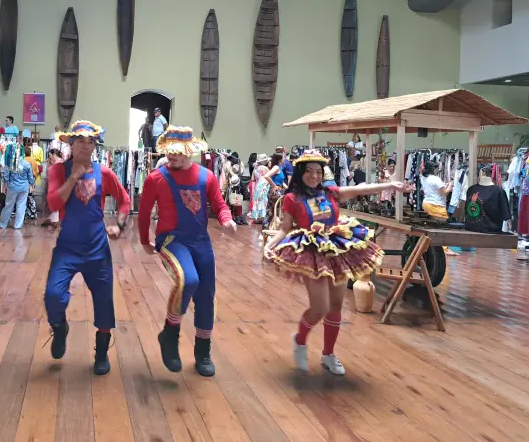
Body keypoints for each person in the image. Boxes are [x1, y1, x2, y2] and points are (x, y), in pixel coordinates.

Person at [264, 149, 413, 376]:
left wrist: (391, 186)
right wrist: (270, 244)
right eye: (309, 171)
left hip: (336, 249)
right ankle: (300, 340)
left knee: (335, 305)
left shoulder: (331, 192)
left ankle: (328, 354)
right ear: (300, 172)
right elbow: (285, 229)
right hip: (311, 252)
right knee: (320, 307)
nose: (314, 176)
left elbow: (361, 189)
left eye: (318, 171)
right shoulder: (292, 199)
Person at [138, 126, 237, 377]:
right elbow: (144, 212)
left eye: (178, 152)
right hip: (172, 240)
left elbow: (219, 205)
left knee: (206, 296)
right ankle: (170, 335)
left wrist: (227, 220)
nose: (172, 156)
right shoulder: (155, 178)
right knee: (187, 279)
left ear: (189, 151)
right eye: (169, 151)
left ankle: (203, 351)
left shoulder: (207, 176)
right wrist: (144, 240)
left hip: (201, 241)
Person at [45, 120, 130, 375]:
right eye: (80, 141)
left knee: (104, 301)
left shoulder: (104, 173)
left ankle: (102, 351)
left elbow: (125, 201)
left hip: (97, 248)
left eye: (91, 141)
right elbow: (53, 203)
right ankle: (60, 327)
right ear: (71, 144)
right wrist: (73, 177)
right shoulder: (57, 171)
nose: (86, 146)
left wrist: (119, 225)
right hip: (67, 247)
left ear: (95, 146)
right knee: (53, 295)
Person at [0, 150, 34, 230]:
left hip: (12, 187)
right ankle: (17, 225)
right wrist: (32, 184)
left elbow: (6, 176)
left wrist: (6, 185)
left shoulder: (10, 164)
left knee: (8, 205)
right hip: (24, 187)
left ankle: (3, 224)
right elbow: (30, 177)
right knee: (21, 206)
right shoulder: (27, 164)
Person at [41, 148, 64, 228]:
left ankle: (54, 220)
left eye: (50, 155)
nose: (49, 157)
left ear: (54, 155)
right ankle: (50, 219)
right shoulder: (53, 163)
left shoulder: (60, 163)